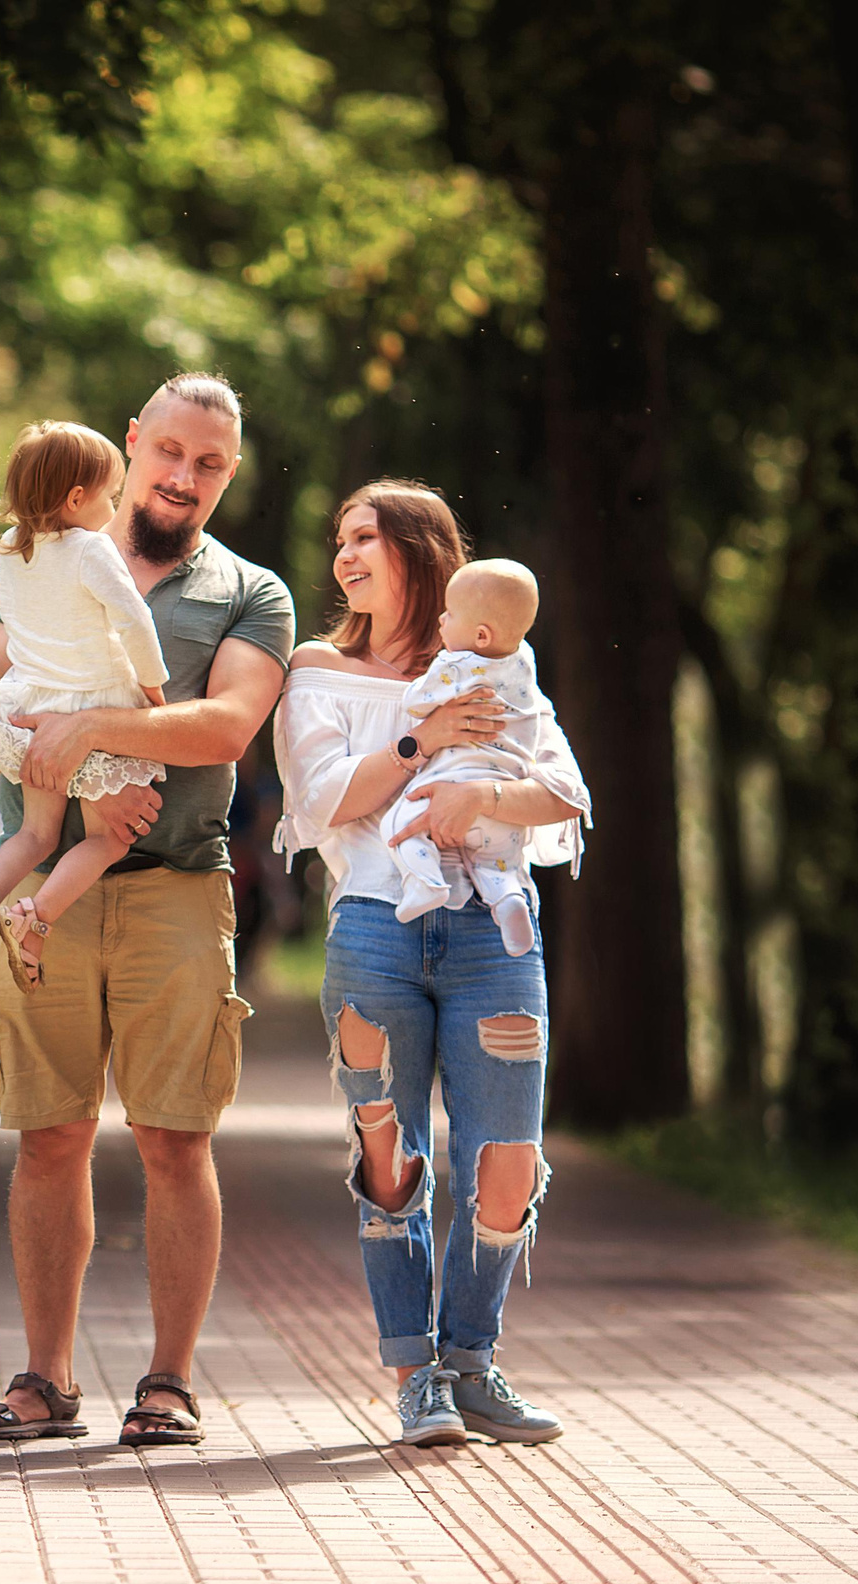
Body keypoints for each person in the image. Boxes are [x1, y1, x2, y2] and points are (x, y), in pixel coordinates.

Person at [0, 372, 293, 1447]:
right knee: (48, 1139)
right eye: (172, 452)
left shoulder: (249, 592)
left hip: (178, 888)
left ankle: (168, 1384)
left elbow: (226, 727)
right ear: (133, 443)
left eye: (212, 464)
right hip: (55, 894)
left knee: (174, 1141)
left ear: (229, 474)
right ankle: (43, 1383)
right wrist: (62, 749)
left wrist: (89, 731)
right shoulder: (30, 559)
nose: (185, 478)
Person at [271, 481, 589, 1448]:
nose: (345, 556)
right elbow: (325, 801)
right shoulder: (317, 670)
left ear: (421, 550)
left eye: (366, 536)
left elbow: (565, 792)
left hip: (497, 938)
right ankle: (417, 1376)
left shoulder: (494, 668)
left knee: (506, 1161)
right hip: (377, 926)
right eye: (339, 540)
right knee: (394, 1157)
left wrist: (480, 790)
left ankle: (471, 1361)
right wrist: (424, 742)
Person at [0, 421, 169, 995]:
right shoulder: (92, 549)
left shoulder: (12, 552)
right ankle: (34, 921)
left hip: (29, 702)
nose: (114, 506)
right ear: (77, 500)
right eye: (109, 495)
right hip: (93, 701)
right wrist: (154, 690)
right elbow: (133, 622)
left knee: (35, 833)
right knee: (108, 838)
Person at [380, 558, 557, 956]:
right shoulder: (524, 663)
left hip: (451, 785)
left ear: (479, 635)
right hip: (506, 801)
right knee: (496, 863)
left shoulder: (457, 666)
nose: (441, 618)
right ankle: (508, 898)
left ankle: (425, 881)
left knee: (399, 823)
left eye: (450, 612)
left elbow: (416, 702)